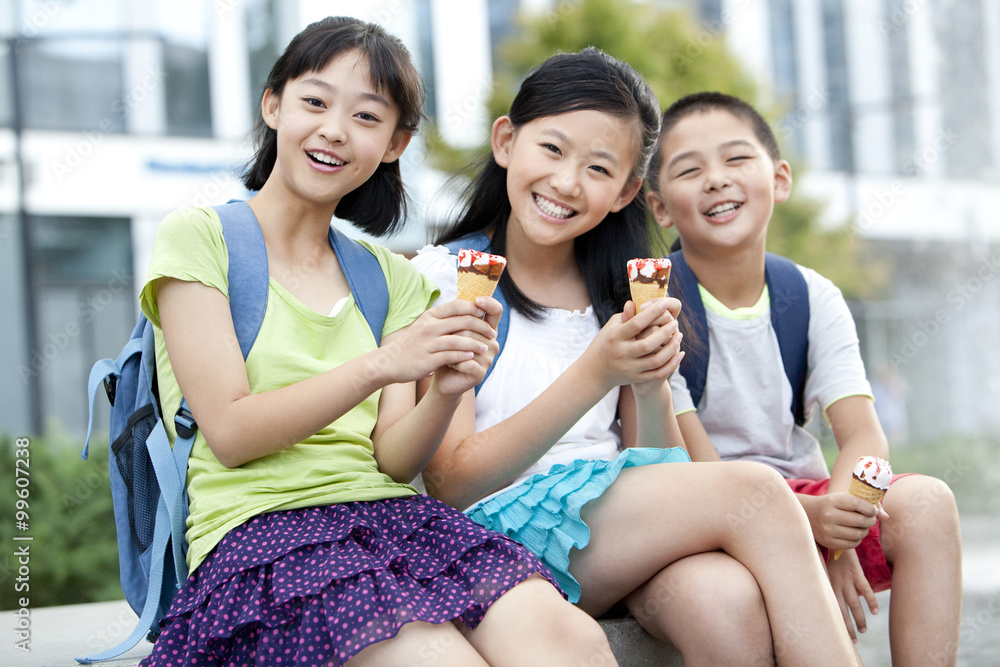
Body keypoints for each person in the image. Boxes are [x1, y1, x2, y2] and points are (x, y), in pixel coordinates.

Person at [137, 17, 617, 667]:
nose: (334, 130)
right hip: (261, 538)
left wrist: (447, 391)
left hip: (392, 521)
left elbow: (394, 459)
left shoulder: (389, 276)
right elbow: (230, 429)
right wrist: (382, 364)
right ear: (272, 104)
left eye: (367, 116)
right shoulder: (201, 237)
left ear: (395, 143)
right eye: (314, 101)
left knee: (572, 640)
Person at [413, 49, 861, 666]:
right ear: (506, 141)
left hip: (614, 529)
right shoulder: (451, 277)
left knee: (724, 599)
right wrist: (596, 371)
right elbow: (452, 482)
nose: (568, 182)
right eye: (552, 150)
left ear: (627, 191)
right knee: (755, 490)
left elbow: (656, 462)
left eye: (598, 168)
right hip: (497, 532)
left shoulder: (618, 292)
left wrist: (650, 382)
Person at [645, 91, 962, 662]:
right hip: (707, 513)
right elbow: (697, 472)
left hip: (810, 502)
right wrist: (803, 531)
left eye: (737, 159)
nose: (717, 179)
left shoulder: (811, 295)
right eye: (690, 170)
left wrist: (836, 536)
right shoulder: (656, 306)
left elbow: (864, 436)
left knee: (928, 503)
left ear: (780, 177)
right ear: (659, 207)